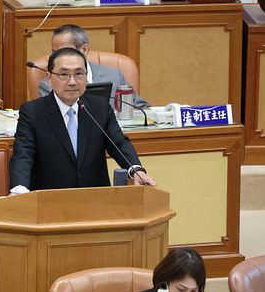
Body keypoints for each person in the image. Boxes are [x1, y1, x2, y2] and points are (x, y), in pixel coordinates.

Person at [9, 47, 155, 192]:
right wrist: (19, 188)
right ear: (49, 77)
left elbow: (119, 143)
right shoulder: (32, 112)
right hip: (49, 199)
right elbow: (23, 154)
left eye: (79, 74)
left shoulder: (99, 107)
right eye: (63, 74)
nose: (72, 82)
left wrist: (136, 170)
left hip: (96, 198)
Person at [38, 24, 150, 108]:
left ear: (84, 50)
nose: (57, 57)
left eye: (65, 52)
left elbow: (142, 108)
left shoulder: (114, 76)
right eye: (54, 52)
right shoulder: (49, 84)